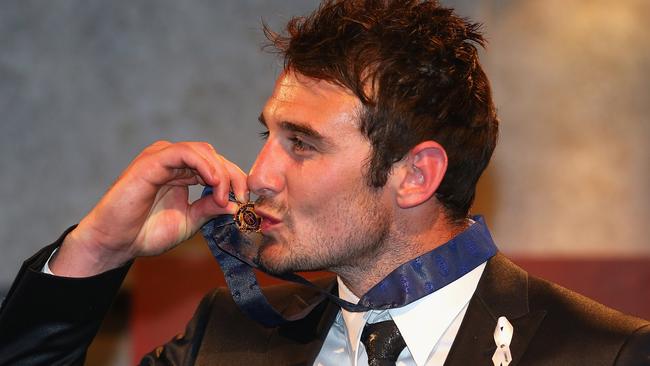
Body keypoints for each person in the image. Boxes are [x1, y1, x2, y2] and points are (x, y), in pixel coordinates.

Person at [1, 0, 649, 365]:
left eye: (302, 145)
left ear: (415, 174)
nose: (258, 178)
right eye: (269, 138)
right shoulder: (224, 340)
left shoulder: (606, 354)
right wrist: (97, 250)